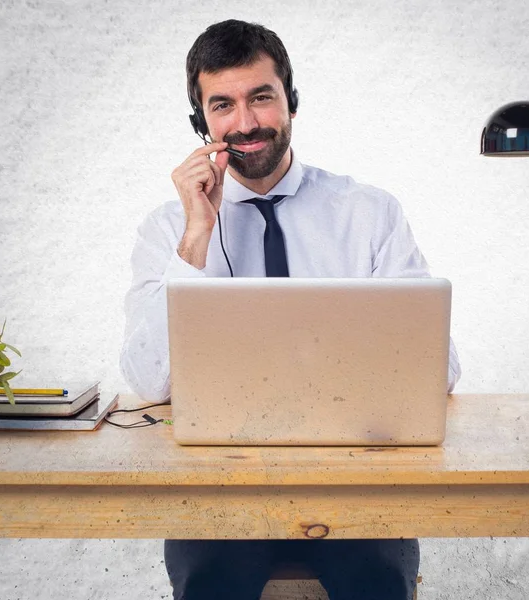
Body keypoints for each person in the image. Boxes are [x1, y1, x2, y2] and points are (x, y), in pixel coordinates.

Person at [120, 19, 461, 600]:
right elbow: (149, 381)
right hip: (220, 486)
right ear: (201, 123)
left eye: (262, 97)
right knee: (210, 586)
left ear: (291, 101)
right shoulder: (168, 230)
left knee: (380, 582)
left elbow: (440, 372)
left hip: (357, 481)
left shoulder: (369, 212)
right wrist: (197, 233)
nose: (246, 122)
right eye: (222, 105)